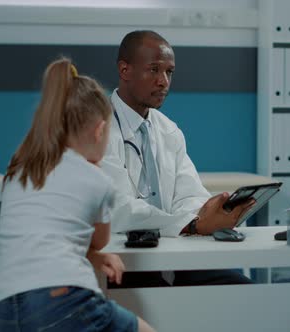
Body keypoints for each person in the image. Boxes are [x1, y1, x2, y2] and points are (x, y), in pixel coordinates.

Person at [0, 58, 155, 332]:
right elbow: (99, 240)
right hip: (62, 301)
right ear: (101, 130)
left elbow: (49, 236)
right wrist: (98, 254)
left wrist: (94, 257)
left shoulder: (21, 170)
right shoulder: (97, 179)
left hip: (3, 310)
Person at [101, 30, 253, 287]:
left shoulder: (168, 130)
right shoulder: (97, 127)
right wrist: (191, 226)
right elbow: (119, 210)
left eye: (169, 72)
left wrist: (208, 212)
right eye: (154, 70)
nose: (163, 81)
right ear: (125, 70)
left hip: (172, 256)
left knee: (242, 291)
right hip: (122, 262)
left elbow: (189, 195)